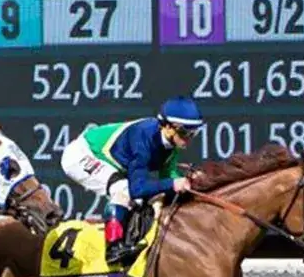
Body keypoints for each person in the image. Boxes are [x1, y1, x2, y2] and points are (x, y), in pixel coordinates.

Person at [61, 96, 205, 266]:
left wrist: (189, 182)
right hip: (80, 155)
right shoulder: (142, 137)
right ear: (167, 126)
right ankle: (113, 248)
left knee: (144, 198)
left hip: (108, 162)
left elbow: (168, 176)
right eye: (184, 132)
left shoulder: (172, 143)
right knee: (124, 190)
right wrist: (173, 184)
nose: (188, 138)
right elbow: (137, 189)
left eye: (194, 133)